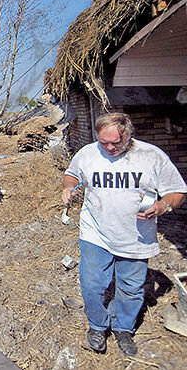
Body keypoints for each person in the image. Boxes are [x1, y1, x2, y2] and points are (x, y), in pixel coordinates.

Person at [62, 112, 186, 357]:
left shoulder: (152, 156)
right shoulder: (88, 153)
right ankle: (97, 326)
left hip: (135, 237)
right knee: (92, 284)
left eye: (115, 143)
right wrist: (68, 187)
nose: (108, 148)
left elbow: (178, 191)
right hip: (95, 232)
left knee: (131, 288)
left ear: (129, 136)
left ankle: (123, 328)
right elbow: (72, 173)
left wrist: (163, 206)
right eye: (103, 142)